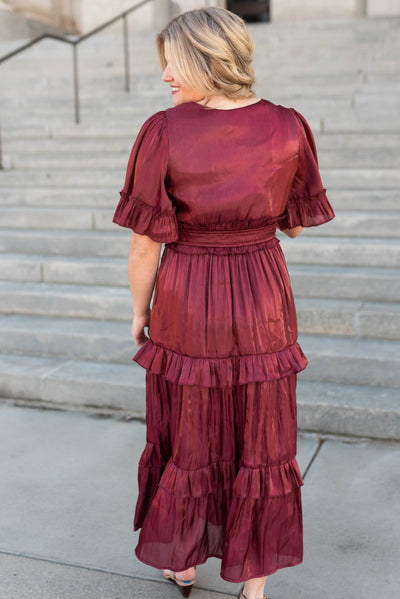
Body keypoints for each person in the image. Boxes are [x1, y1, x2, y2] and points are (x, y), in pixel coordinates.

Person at [113, 7, 335, 599]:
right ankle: (254, 578)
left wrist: (139, 311)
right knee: (262, 424)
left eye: (173, 63)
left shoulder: (163, 131)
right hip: (262, 290)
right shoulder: (289, 126)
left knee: (191, 426)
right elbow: (296, 226)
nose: (165, 77)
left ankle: (183, 562)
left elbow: (143, 243)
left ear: (207, 58)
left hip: (188, 294)